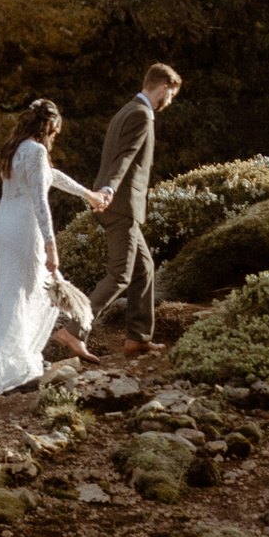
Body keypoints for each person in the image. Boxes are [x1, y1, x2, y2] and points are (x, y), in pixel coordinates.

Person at [0, 99, 110, 401]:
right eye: (56, 133)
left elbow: (51, 176)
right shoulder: (36, 151)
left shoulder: (16, 147)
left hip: (5, 227)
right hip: (25, 230)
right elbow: (41, 201)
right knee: (33, 293)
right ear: (50, 127)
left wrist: (87, 194)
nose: (55, 139)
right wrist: (51, 246)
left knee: (20, 294)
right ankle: (18, 366)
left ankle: (21, 360)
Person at [92, 63, 182, 355]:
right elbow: (125, 157)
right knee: (119, 275)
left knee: (144, 269)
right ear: (163, 88)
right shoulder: (142, 114)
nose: (169, 102)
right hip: (120, 205)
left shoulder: (125, 111)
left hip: (117, 203)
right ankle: (73, 329)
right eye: (171, 96)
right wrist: (108, 189)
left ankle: (138, 338)